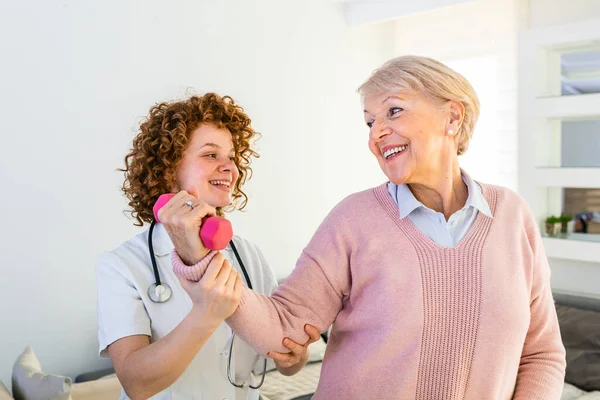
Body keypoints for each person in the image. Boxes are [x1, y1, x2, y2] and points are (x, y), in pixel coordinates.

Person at [171, 57, 567, 399]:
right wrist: (199, 257)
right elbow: (282, 328)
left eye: (394, 111)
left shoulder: (512, 216)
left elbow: (542, 354)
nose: (376, 133)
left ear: (452, 116)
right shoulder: (352, 221)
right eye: (369, 121)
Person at [96, 93, 320, 400]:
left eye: (232, 157)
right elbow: (137, 383)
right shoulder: (122, 264)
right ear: (167, 169)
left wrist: (295, 358)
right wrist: (206, 313)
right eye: (211, 155)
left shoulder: (248, 254)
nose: (230, 168)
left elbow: (283, 356)